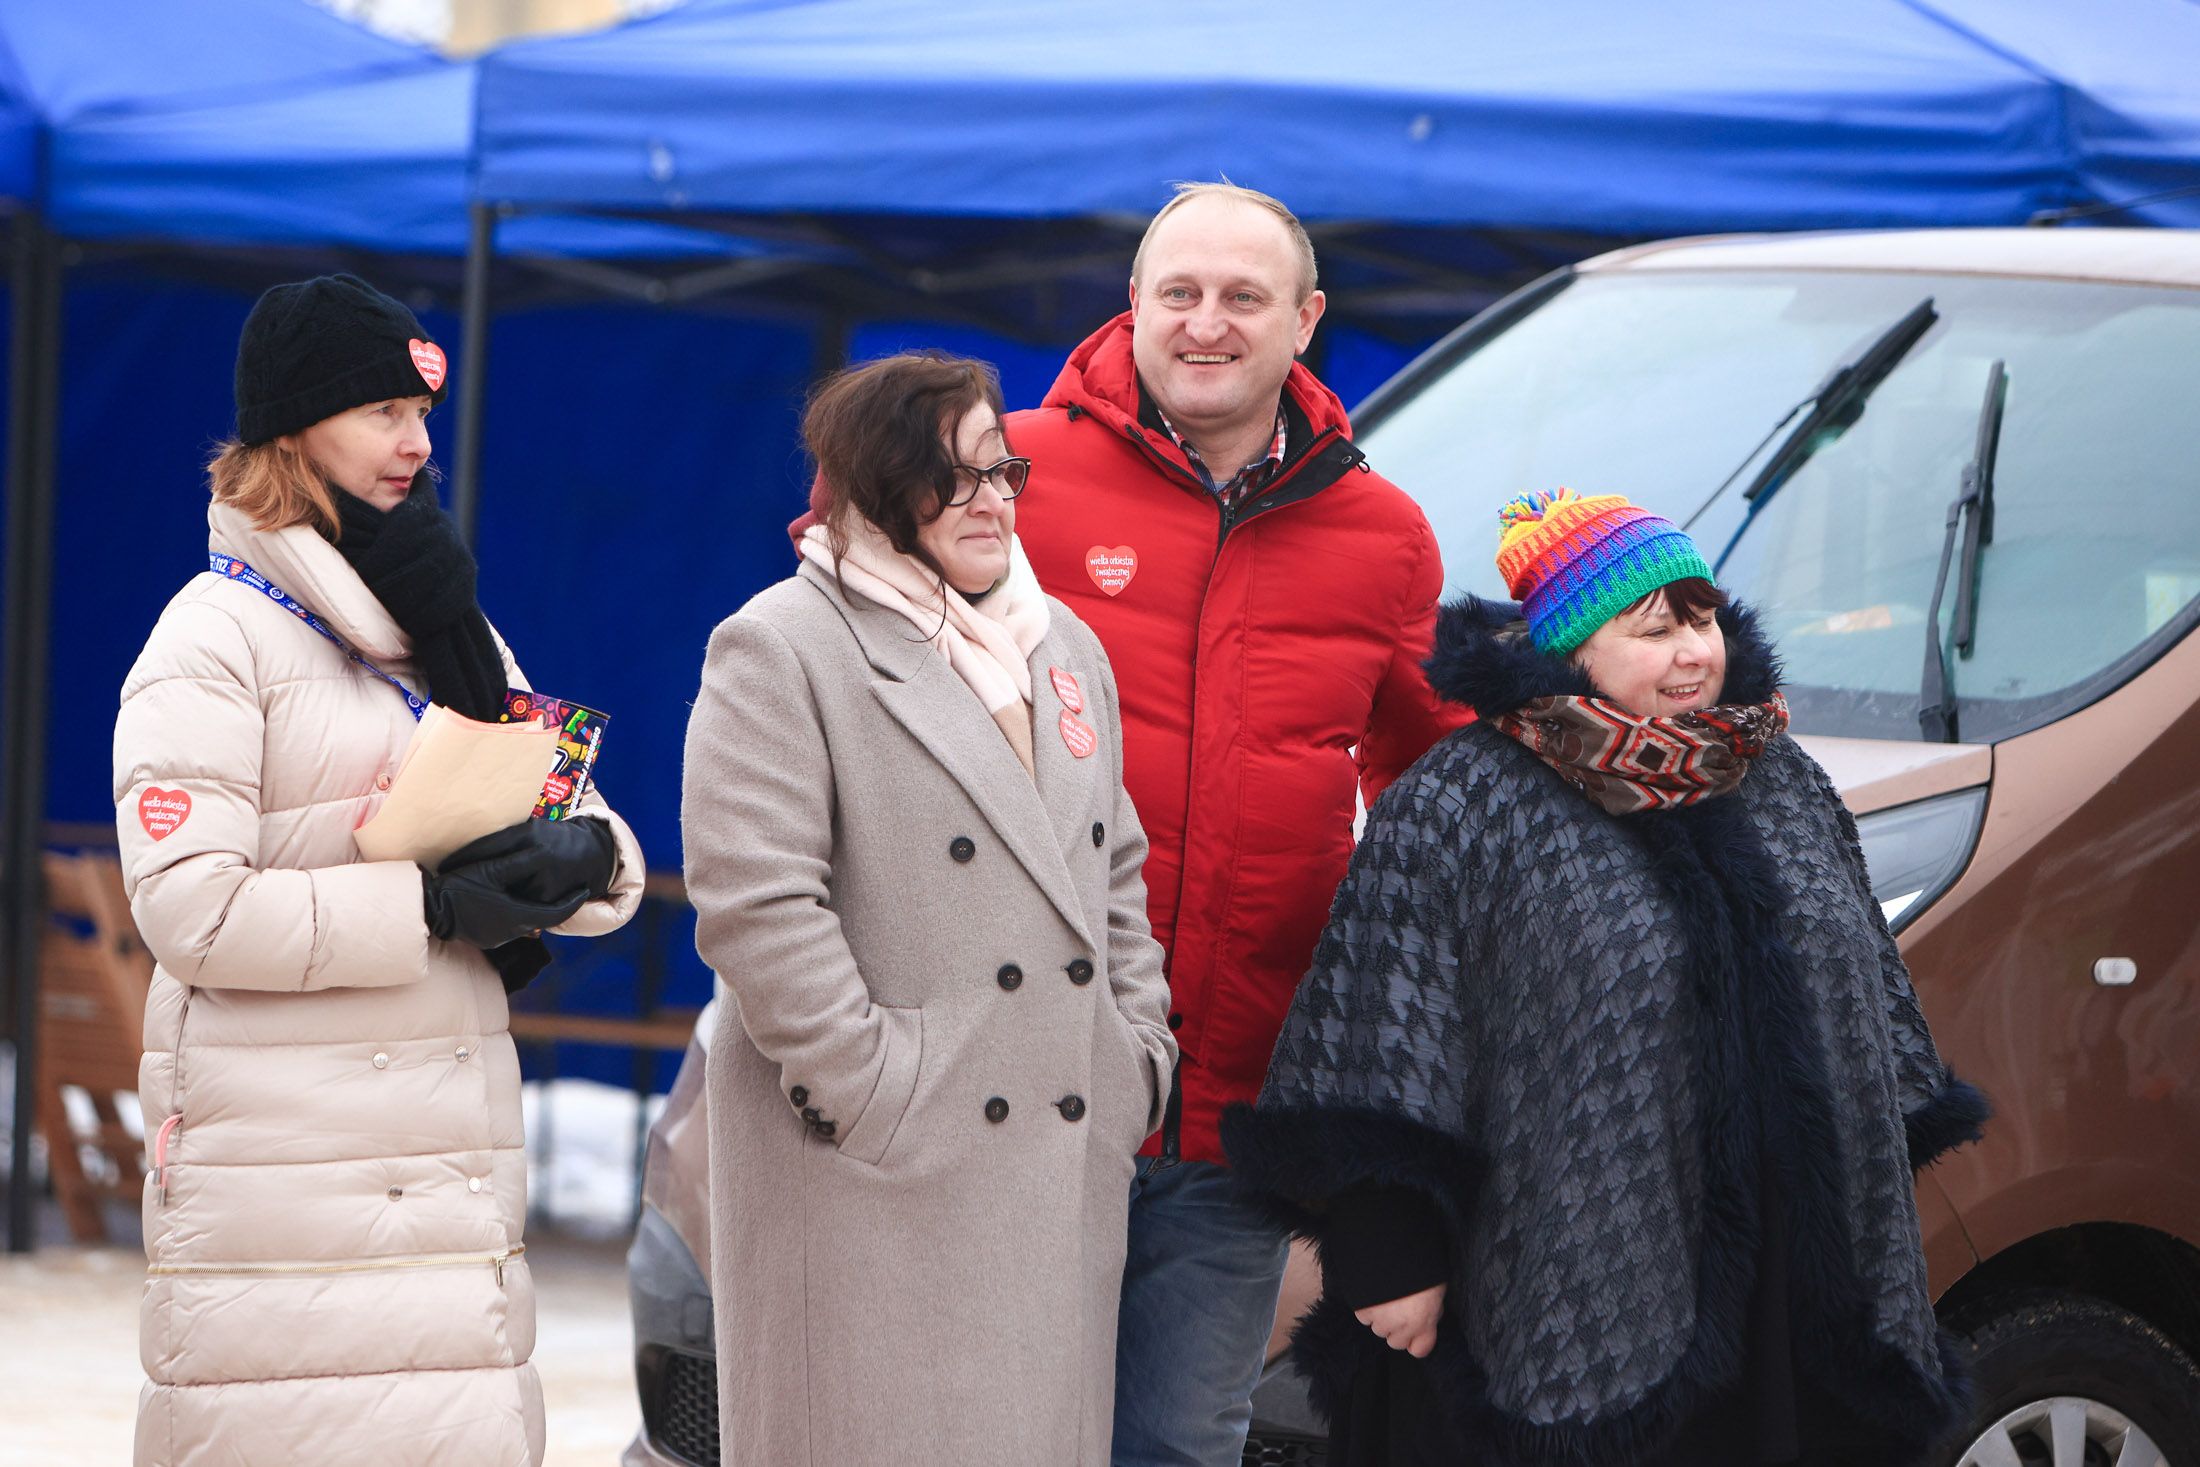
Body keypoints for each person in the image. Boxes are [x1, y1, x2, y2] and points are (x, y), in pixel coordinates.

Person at [1223, 489, 1991, 1467]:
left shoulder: (1776, 774)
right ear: (1571, 650)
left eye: (1703, 621)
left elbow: (1862, 993)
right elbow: (1385, 1022)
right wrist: (1389, 1250)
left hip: (1789, 1286)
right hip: (1566, 1264)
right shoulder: (1467, 799)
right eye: (1654, 630)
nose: (1692, 653)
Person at [116, 273, 645, 1465]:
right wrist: (428, 905)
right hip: (286, 1171)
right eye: (383, 413)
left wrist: (586, 855)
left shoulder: (445, 619)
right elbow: (192, 914)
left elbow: (572, 799)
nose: (417, 444)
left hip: (445, 1165)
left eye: (421, 415)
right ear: (295, 430)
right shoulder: (209, 639)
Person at [1002, 181, 1469, 1465]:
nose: (1205, 323)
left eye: (1242, 297)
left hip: (1235, 1103)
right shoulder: (1010, 473)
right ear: (1132, 307)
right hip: (1023, 1093)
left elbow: (1438, 783)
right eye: (1179, 293)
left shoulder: (1382, 534)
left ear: (1305, 320)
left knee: (1177, 1443)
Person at [684, 352, 1178, 1467]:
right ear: (877, 486)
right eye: (952, 478)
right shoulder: (783, 643)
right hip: (875, 1179)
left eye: (1003, 471)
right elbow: (757, 900)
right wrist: (870, 1088)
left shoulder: (1066, 648)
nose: (991, 500)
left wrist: (1132, 1056)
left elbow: (1114, 871)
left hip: (1055, 1157)